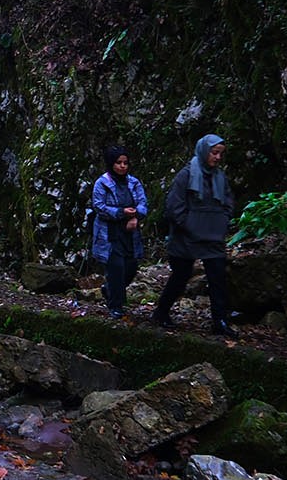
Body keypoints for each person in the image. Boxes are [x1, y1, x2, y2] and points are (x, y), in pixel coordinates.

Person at [153, 133, 236, 336]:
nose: (217, 158)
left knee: (217, 277)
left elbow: (228, 202)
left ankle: (219, 321)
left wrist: (221, 222)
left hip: (213, 236)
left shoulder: (220, 177)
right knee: (180, 276)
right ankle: (161, 312)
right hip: (186, 237)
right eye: (214, 153)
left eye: (220, 154)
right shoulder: (186, 174)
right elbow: (174, 207)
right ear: (204, 152)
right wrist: (190, 225)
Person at [91, 145, 147, 317]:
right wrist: (120, 212)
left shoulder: (133, 182)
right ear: (111, 164)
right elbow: (99, 206)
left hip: (130, 233)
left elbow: (143, 203)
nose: (122, 166)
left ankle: (109, 290)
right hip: (109, 233)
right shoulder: (102, 183)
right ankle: (116, 305)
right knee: (116, 268)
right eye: (118, 163)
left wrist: (136, 216)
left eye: (125, 163)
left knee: (131, 267)